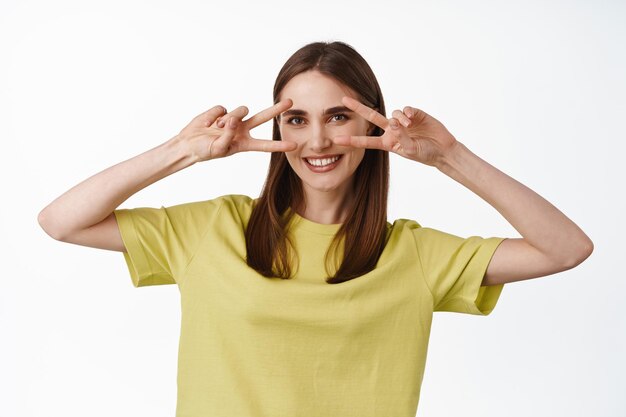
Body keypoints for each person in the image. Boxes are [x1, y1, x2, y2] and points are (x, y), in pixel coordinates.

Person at [38, 41, 593, 416]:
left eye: (339, 116)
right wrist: (182, 152)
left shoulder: (411, 253)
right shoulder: (214, 229)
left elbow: (566, 248)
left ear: (373, 123)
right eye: (297, 119)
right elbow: (60, 221)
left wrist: (449, 157)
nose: (318, 142)